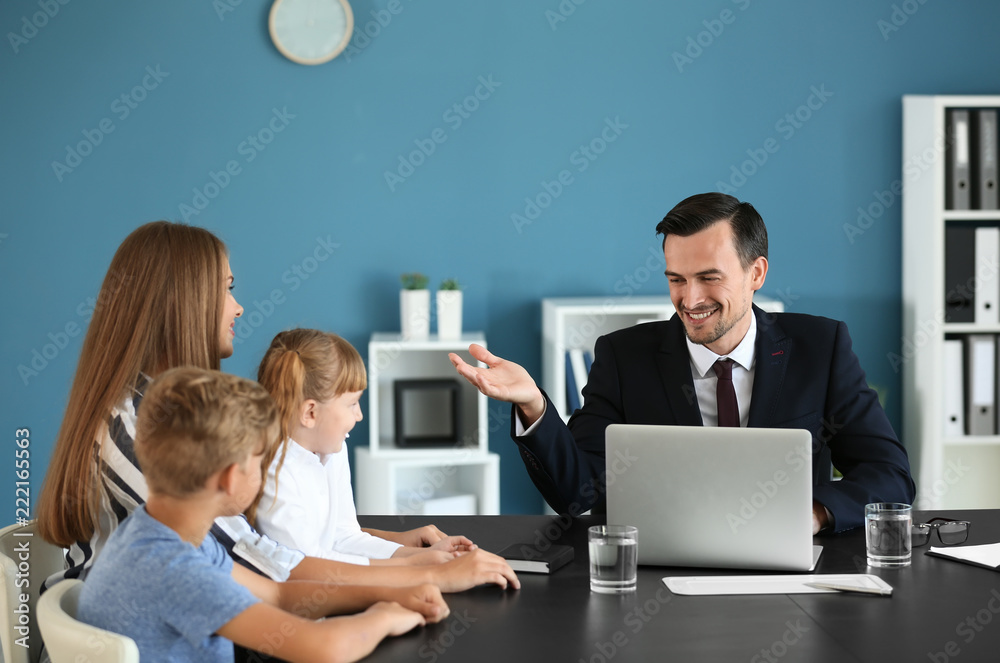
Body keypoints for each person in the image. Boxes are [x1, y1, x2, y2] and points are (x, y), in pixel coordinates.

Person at [37, 220, 518, 596]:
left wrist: (402, 553)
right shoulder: (136, 430)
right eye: (226, 289)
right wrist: (422, 577)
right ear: (183, 303)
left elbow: (269, 547)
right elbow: (252, 561)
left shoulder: (161, 413)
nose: (238, 306)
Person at [450, 192, 915, 533]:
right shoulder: (623, 356)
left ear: (756, 273)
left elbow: (889, 476)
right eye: (676, 279)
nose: (689, 300)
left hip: (790, 567)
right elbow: (580, 495)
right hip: (661, 575)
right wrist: (534, 404)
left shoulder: (821, 346)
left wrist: (813, 513)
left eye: (709, 278)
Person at [78, 366, 449, 662]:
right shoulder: (175, 569)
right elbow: (324, 648)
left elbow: (276, 593)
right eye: (259, 460)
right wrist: (383, 617)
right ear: (228, 477)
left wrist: (390, 592)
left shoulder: (157, 531)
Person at [252, 328, 475, 564]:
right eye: (352, 404)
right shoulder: (274, 473)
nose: (359, 415)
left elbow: (344, 536)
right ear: (310, 412)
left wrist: (422, 555)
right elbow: (307, 564)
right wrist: (411, 565)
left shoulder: (331, 449)